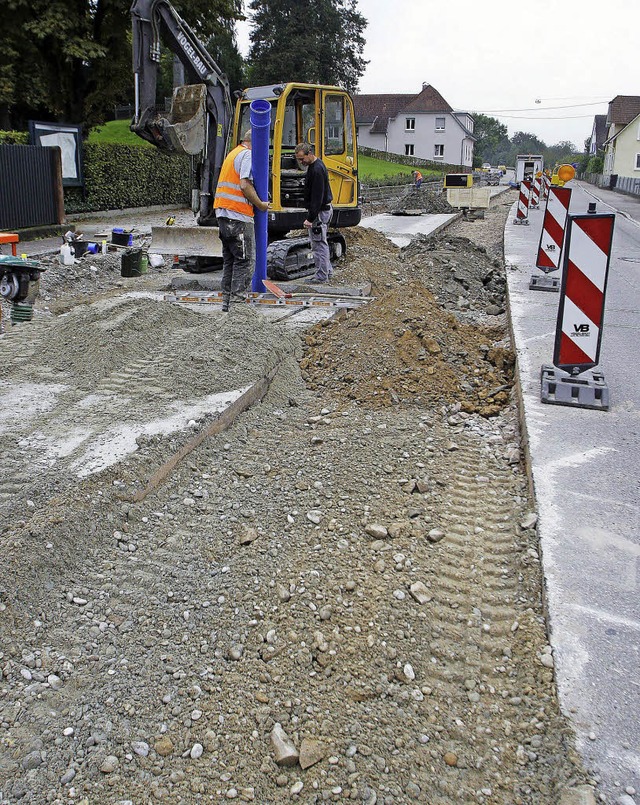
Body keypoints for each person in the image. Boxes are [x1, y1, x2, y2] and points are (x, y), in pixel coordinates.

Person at [214, 129, 269, 311]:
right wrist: (261, 204)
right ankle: (238, 308)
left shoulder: (233, 154)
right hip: (238, 217)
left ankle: (227, 304)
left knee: (231, 261)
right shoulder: (247, 155)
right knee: (245, 261)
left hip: (223, 216)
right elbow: (245, 184)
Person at [294, 143, 333, 284]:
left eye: (302, 158)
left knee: (318, 245)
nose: (301, 162)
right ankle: (327, 271)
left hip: (320, 212)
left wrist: (310, 218)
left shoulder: (316, 170)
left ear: (309, 153)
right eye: (299, 159)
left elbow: (317, 197)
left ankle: (321, 276)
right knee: (322, 242)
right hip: (324, 210)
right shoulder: (315, 166)